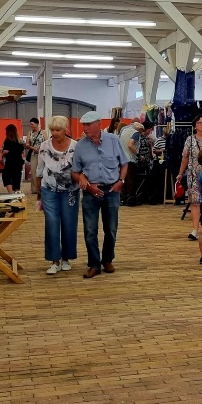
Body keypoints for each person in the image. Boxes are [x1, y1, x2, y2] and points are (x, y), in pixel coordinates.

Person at [71, 110, 129, 279]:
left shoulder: (114, 140)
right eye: (83, 125)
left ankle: (107, 260)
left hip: (112, 191)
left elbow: (124, 163)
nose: (85, 128)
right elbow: (74, 172)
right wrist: (84, 182)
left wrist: (121, 181)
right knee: (90, 230)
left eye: (88, 125)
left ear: (98, 124)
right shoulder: (80, 146)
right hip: (90, 193)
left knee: (111, 229)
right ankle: (94, 264)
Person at [37, 116, 79, 275]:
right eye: (52, 130)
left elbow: (80, 168)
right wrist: (38, 192)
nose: (54, 133)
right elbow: (39, 169)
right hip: (48, 189)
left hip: (70, 191)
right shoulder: (44, 146)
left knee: (69, 223)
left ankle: (66, 258)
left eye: (58, 130)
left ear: (65, 130)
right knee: (52, 223)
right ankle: (54, 260)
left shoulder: (75, 146)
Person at [0, 124, 25, 193]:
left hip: (10, 161)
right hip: (18, 161)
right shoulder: (20, 141)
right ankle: (17, 192)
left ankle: (11, 193)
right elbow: (22, 151)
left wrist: (1, 155)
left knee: (6, 176)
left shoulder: (8, 140)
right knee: (17, 177)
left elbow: (6, 151)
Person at [25, 118, 46, 192]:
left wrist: (41, 148)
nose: (31, 126)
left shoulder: (43, 132)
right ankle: (34, 189)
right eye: (30, 124)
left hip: (43, 154)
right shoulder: (30, 133)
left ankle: (42, 187)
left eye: (32, 124)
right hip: (33, 154)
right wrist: (33, 148)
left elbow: (47, 142)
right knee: (34, 171)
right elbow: (27, 144)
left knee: (43, 171)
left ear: (37, 124)